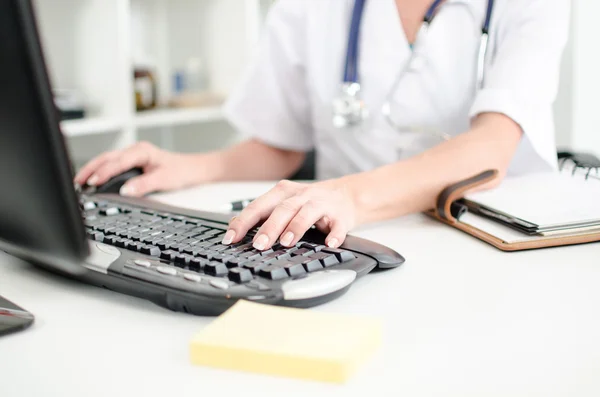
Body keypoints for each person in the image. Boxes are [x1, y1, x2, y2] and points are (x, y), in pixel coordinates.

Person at [75, 0, 570, 251]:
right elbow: (279, 144)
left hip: (491, 244)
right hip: (346, 245)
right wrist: (189, 167)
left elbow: (490, 147)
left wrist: (347, 196)